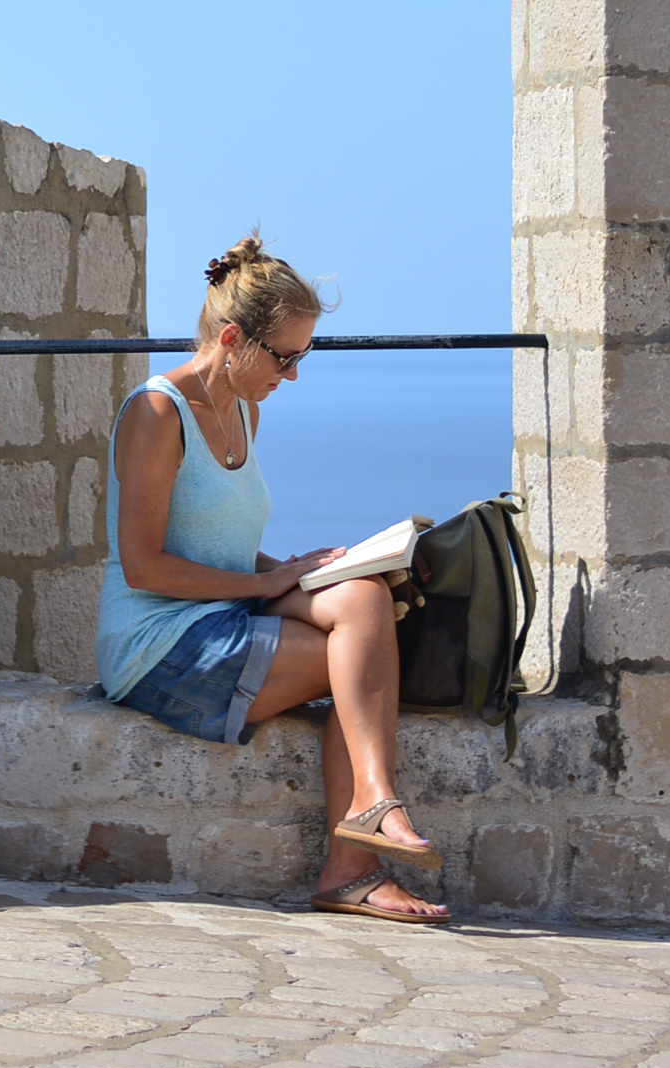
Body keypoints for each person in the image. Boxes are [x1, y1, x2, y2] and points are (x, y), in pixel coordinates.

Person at [95, 232, 448, 926]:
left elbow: (218, 546)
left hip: (222, 617)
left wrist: (286, 570)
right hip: (157, 645)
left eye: (300, 359)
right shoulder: (156, 413)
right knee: (362, 664)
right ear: (233, 339)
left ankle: (369, 818)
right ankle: (360, 847)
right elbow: (144, 566)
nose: (291, 377)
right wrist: (265, 588)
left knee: (363, 596)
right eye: (284, 358)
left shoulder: (244, 411)